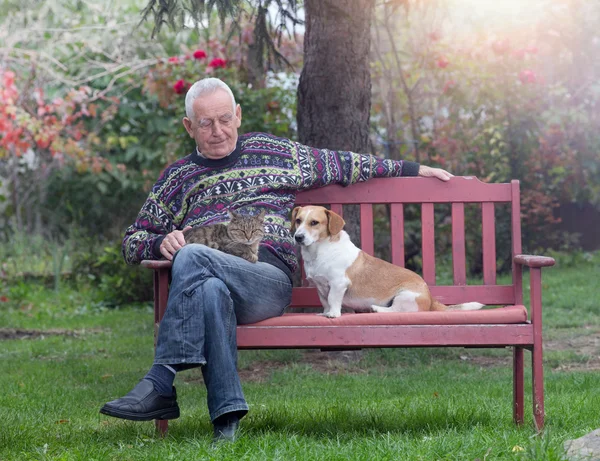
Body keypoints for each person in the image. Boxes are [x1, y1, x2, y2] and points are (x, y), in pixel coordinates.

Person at [99, 77, 453, 442]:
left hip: (265, 280)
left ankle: (161, 381)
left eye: (224, 118)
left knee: (192, 255)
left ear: (238, 115)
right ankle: (226, 420)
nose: (218, 130)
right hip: (207, 277)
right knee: (209, 289)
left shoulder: (274, 153)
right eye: (205, 123)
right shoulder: (177, 178)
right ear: (189, 126)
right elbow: (132, 241)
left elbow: (344, 163)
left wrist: (414, 169)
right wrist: (159, 243)